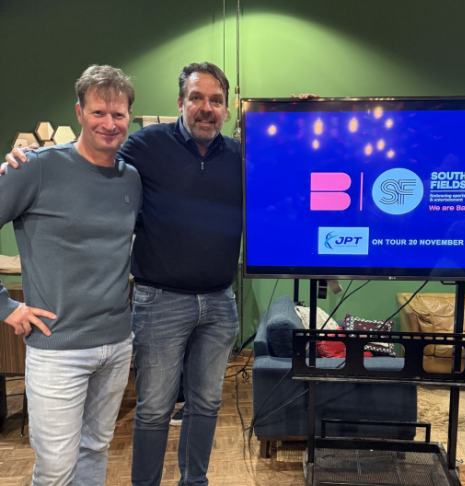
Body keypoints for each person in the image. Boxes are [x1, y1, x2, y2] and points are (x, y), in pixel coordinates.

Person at [4, 62, 316, 486]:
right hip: (158, 302)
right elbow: (89, 159)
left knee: (205, 404)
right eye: (196, 98)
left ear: (226, 109)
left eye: (216, 100)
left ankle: (195, 481)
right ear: (180, 102)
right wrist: (26, 160)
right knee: (152, 410)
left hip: (219, 303)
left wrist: (299, 119)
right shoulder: (144, 146)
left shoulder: (241, 156)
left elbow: (290, 171)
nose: (206, 108)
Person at [0, 65, 142, 486]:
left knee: (95, 451)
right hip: (57, 349)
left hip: (116, 344)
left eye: (118, 114)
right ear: (79, 112)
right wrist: (5, 307)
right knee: (56, 469)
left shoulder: (130, 179)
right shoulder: (34, 168)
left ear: (129, 118)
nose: (109, 123)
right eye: (98, 112)